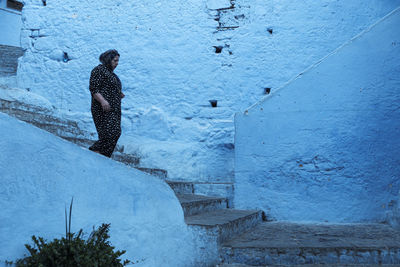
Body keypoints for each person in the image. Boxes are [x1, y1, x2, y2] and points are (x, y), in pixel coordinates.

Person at [88, 49, 124, 157]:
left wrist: (119, 94)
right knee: (109, 133)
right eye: (115, 61)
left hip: (114, 109)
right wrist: (103, 101)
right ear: (108, 60)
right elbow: (94, 89)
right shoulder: (99, 70)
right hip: (103, 108)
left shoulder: (113, 75)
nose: (117, 63)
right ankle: (95, 152)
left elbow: (111, 88)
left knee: (116, 132)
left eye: (118, 61)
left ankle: (102, 155)